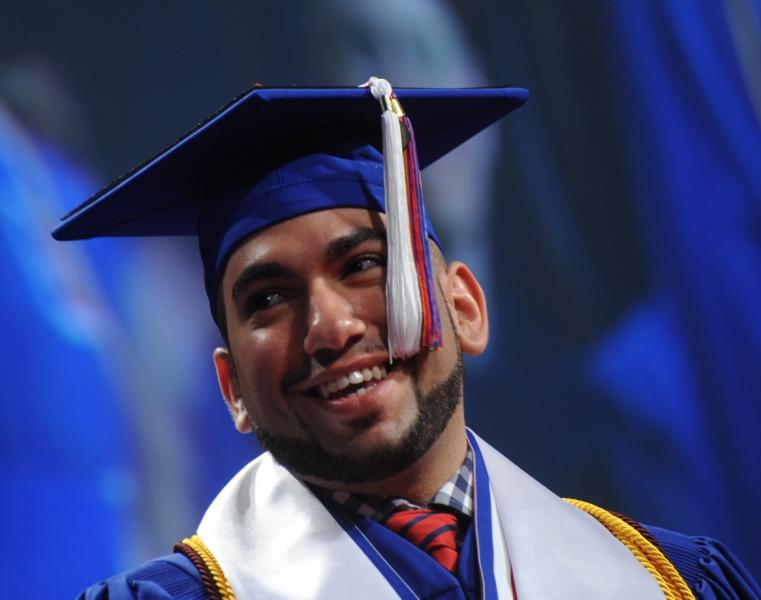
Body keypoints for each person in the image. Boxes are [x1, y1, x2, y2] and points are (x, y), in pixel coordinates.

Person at [56, 79, 759, 599]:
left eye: (364, 265)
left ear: (467, 307)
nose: (329, 329)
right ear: (233, 389)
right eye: (267, 299)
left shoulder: (675, 580)